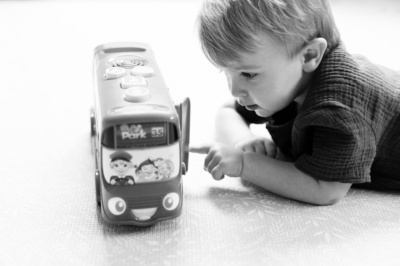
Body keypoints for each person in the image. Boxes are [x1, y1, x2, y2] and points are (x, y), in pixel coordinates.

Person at [190, 0, 400, 205]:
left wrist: (244, 163)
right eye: (226, 73)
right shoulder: (287, 82)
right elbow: (227, 111)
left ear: (309, 55)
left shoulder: (339, 110)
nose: (234, 90)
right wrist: (243, 141)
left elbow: (325, 190)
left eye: (248, 74)